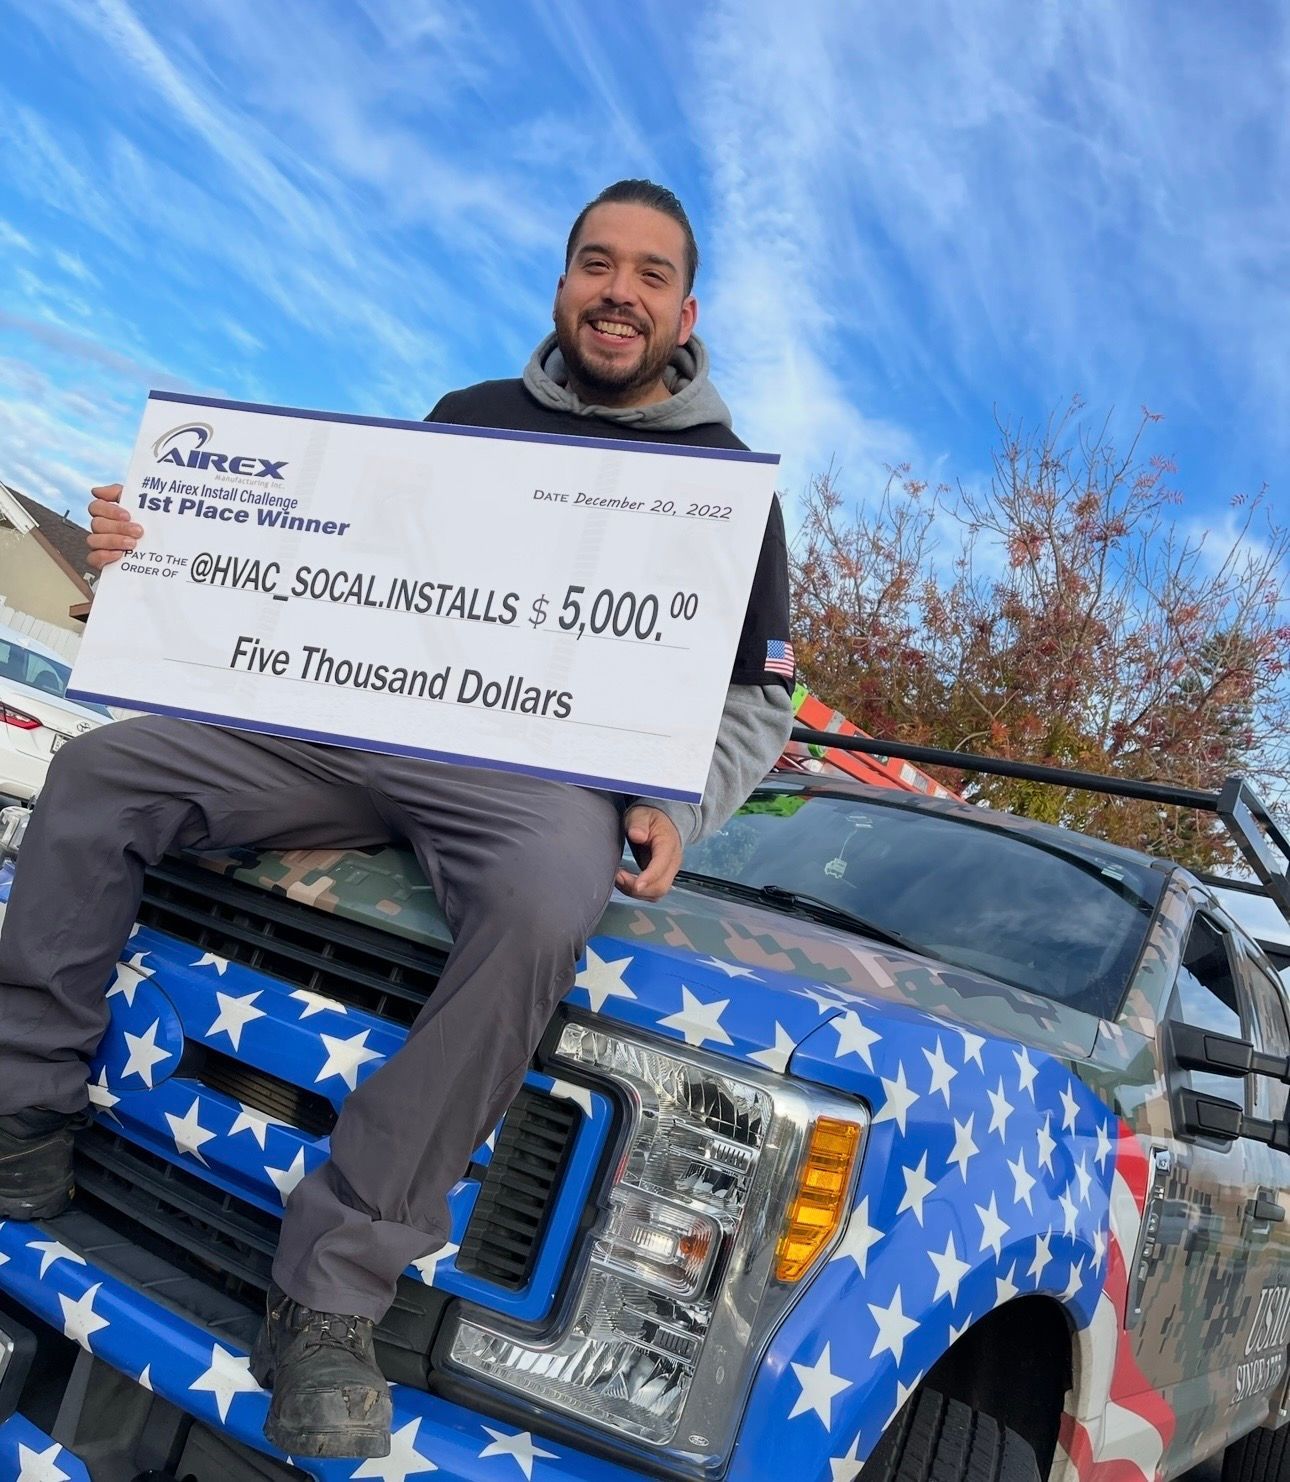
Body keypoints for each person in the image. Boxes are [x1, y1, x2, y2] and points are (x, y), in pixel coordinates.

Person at [0, 180, 795, 1460]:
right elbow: (323, 576)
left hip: (532, 781)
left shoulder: (728, 492)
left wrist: (679, 801)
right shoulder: (463, 422)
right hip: (354, 727)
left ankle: (330, 1290)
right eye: (598, 264)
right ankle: (22, 1108)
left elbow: (761, 699)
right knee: (104, 775)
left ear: (685, 310)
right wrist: (161, 569)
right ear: (560, 283)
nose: (619, 293)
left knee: (548, 904)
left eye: (650, 275)